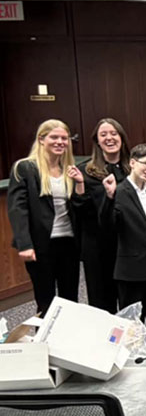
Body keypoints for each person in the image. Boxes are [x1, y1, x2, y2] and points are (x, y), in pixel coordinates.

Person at [7, 119, 86, 314]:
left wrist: (79, 185)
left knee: (70, 300)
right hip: (41, 245)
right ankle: (42, 343)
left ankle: (67, 342)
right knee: (45, 301)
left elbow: (78, 207)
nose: (60, 142)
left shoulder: (69, 169)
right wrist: (24, 244)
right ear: (41, 139)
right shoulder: (25, 168)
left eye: (64, 138)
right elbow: (18, 209)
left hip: (68, 243)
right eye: (54, 137)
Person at [100, 143, 146, 338]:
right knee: (131, 324)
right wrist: (109, 198)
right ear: (132, 162)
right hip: (130, 269)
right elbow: (108, 227)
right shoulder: (118, 191)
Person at [78, 118, 130, 313]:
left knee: (129, 301)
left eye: (114, 133)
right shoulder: (86, 171)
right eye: (103, 134)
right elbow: (81, 211)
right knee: (101, 304)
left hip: (127, 244)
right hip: (97, 246)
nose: (109, 138)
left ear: (122, 139)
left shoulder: (133, 168)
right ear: (97, 141)